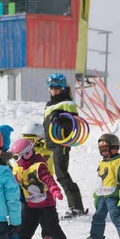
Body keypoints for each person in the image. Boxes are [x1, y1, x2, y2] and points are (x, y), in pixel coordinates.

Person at [10, 138, 80, 239]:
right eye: (15, 158)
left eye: (18, 156)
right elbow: (14, 183)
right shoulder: (19, 169)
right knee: (24, 229)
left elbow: (48, 179)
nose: (17, 160)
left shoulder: (39, 166)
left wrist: (55, 190)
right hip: (30, 205)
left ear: (27, 153)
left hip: (46, 204)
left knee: (53, 228)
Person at [77, 134, 120, 239]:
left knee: (116, 216)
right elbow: (100, 179)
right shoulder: (102, 163)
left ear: (114, 148)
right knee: (98, 217)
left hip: (113, 195)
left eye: (105, 149)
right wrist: (96, 195)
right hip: (101, 196)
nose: (103, 152)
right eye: (101, 149)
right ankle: (95, 238)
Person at [42, 73, 86, 219]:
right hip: (50, 144)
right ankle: (45, 205)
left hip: (61, 144)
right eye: (52, 87)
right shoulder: (49, 104)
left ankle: (76, 207)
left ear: (62, 87)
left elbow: (74, 123)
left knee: (62, 175)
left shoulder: (67, 102)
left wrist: (59, 119)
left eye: (57, 87)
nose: (54, 90)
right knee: (47, 175)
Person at [21, 122, 55, 239]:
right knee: (26, 216)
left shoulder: (46, 153)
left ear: (39, 138)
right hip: (27, 188)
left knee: (46, 215)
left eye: (30, 140)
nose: (27, 143)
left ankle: (48, 236)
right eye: (25, 139)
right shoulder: (25, 152)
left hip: (44, 188)